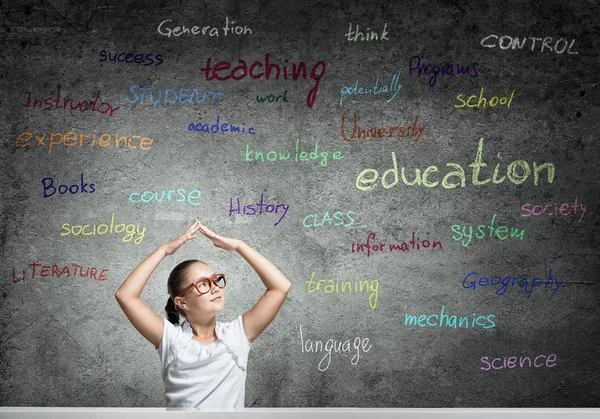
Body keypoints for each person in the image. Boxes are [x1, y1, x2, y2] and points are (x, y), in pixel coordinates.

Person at [114, 220, 291, 409]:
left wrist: (239, 246)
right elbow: (125, 296)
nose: (215, 288)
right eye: (203, 284)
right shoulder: (171, 339)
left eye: (215, 280)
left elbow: (280, 287)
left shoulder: (237, 334)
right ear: (182, 302)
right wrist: (164, 250)